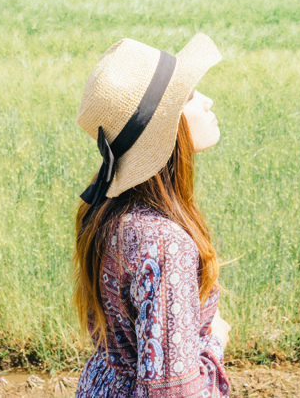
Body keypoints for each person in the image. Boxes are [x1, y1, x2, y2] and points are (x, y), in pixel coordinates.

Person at [72, 33, 231, 398]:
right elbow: (174, 393)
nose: (208, 100)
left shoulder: (108, 215)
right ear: (166, 127)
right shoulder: (164, 245)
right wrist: (215, 341)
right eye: (189, 96)